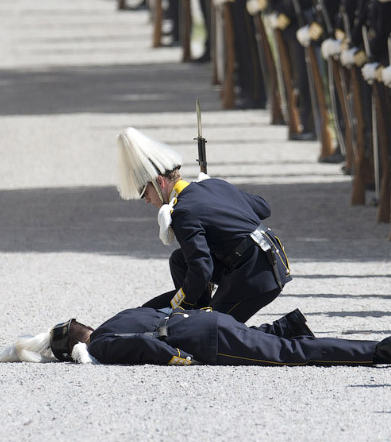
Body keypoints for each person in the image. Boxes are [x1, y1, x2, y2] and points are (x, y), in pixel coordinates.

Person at [116, 127, 292, 324]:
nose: (147, 200)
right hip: (269, 258)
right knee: (179, 260)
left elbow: (201, 268)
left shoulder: (183, 212)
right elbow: (262, 208)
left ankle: (289, 332)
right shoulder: (212, 186)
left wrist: (179, 308)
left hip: (256, 275)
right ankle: (198, 310)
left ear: (160, 182)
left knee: (210, 330)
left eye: (145, 193)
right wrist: (217, 194)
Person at [0, 307, 391, 367]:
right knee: (274, 342)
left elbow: (146, 346)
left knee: (289, 356)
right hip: (207, 319)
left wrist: (179, 358)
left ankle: (380, 350)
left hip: (207, 342)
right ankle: (289, 323)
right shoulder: (113, 319)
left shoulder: (102, 346)